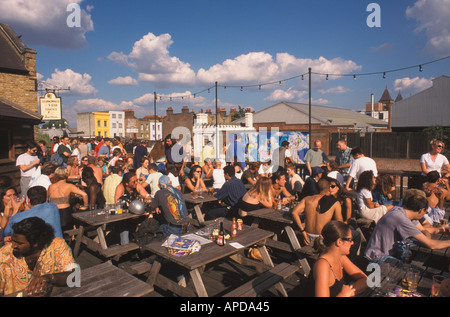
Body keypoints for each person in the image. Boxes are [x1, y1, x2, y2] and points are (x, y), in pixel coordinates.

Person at [365, 192, 450, 263]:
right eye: (425, 212)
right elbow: (431, 245)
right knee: (411, 271)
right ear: (421, 210)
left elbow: (423, 230)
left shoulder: (400, 210)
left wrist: (438, 230)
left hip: (378, 254)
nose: (424, 214)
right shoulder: (401, 219)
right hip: (377, 259)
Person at [0, 217, 76, 296]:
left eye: (19, 243)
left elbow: (74, 276)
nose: (13, 246)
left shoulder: (57, 245)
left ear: (36, 243)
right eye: (12, 240)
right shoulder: (4, 255)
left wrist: (49, 278)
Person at [303, 221, 367, 297]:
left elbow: (365, 279)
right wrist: (344, 295)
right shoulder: (322, 265)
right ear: (339, 242)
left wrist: (349, 292)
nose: (352, 243)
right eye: (349, 240)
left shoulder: (341, 257)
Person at [292, 177, 343, 246]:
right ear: (329, 188)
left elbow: (294, 212)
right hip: (323, 239)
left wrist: (302, 231)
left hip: (307, 236)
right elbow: (340, 224)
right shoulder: (335, 203)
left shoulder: (307, 199)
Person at [48, 167, 88, 231]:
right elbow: (84, 194)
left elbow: (47, 199)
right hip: (65, 213)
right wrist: (85, 206)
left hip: (53, 212)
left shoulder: (51, 187)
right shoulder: (69, 186)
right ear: (67, 175)